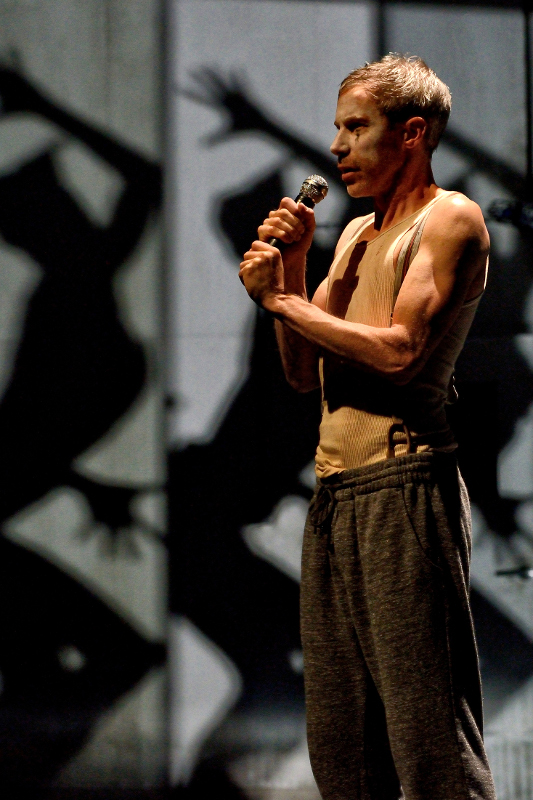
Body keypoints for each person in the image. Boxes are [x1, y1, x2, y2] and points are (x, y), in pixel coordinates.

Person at [239, 54, 496, 800]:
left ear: (411, 133)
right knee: (343, 745)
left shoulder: (449, 219)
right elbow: (299, 373)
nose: (336, 147)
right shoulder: (351, 235)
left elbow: (399, 353)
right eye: (336, 129)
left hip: (403, 487)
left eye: (355, 127)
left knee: (427, 740)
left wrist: (284, 304)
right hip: (335, 496)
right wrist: (292, 270)